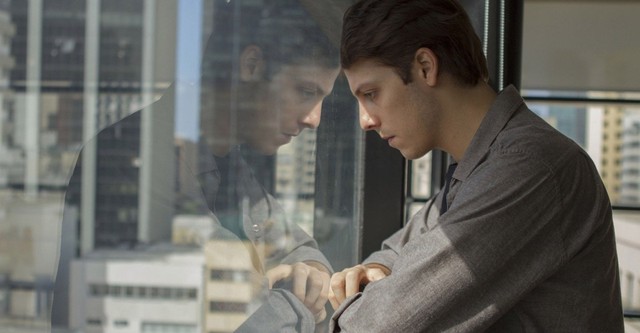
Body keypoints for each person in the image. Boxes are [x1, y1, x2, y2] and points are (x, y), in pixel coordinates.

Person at [328, 0, 624, 332]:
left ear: (425, 66)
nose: (365, 121)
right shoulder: (476, 168)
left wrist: (374, 293)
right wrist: (375, 274)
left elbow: (380, 325)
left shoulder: (529, 167)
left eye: (371, 93)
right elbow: (391, 254)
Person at [53, 1, 341, 332]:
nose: (314, 119)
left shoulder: (230, 164)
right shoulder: (135, 158)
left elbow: (299, 252)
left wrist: (308, 276)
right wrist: (296, 304)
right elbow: (241, 315)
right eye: (305, 91)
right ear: (250, 65)